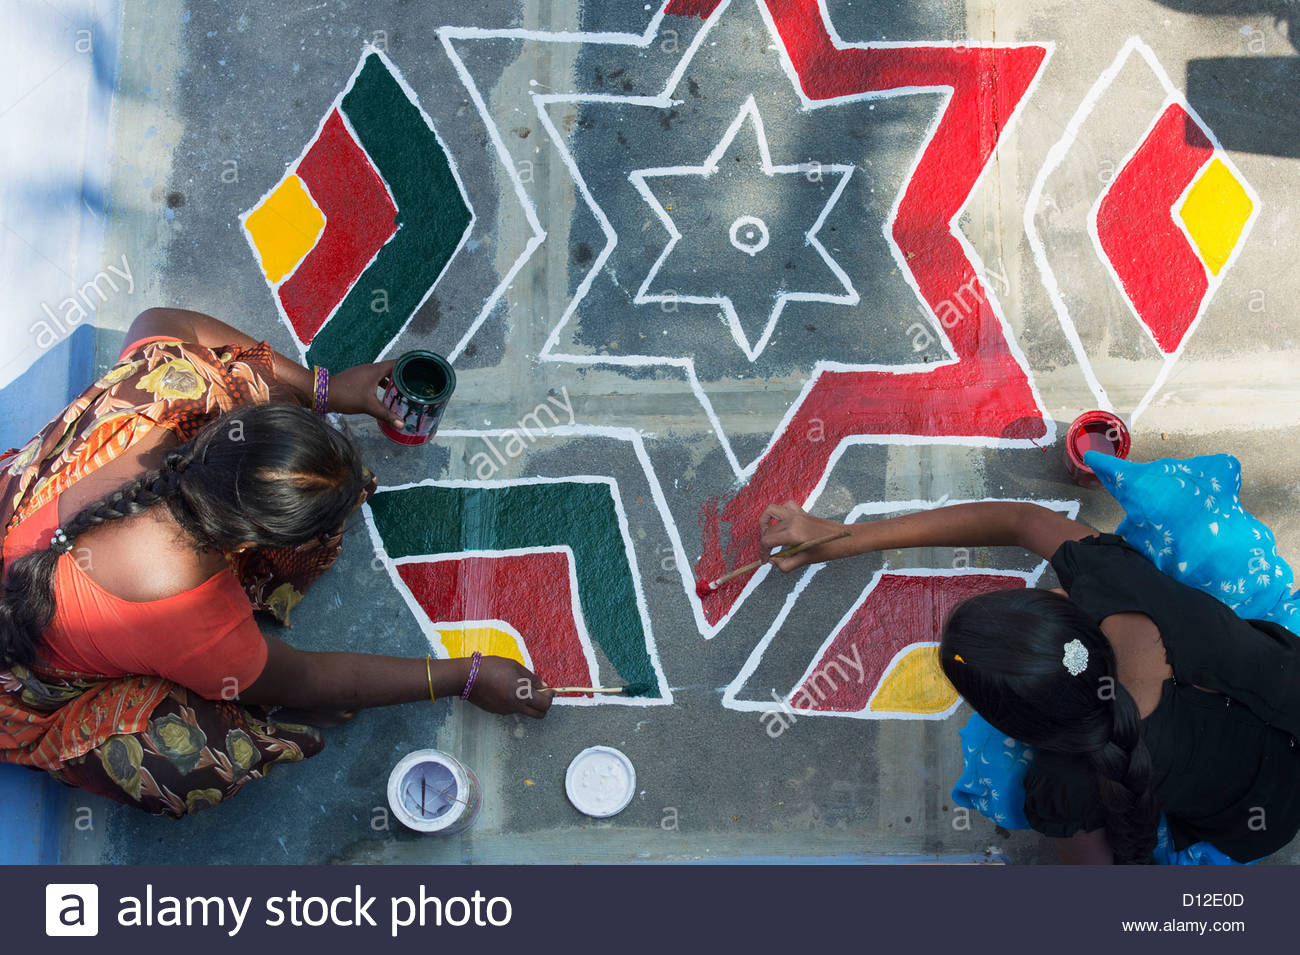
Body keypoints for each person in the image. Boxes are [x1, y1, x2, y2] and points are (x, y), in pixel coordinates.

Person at [0, 308, 551, 818]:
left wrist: (324, 388)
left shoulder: (164, 394)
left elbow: (163, 320)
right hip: (18, 688)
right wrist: (464, 676)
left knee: (234, 377)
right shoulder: (193, 617)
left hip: (18, 527)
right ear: (253, 543)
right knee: (189, 761)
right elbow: (306, 678)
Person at [759, 498, 1300, 864]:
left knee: (1000, 771)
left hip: (1266, 821)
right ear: (1065, 608)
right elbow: (1019, 519)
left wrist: (837, 537)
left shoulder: (1068, 783)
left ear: (1021, 725)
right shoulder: (1121, 582)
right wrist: (840, 537)